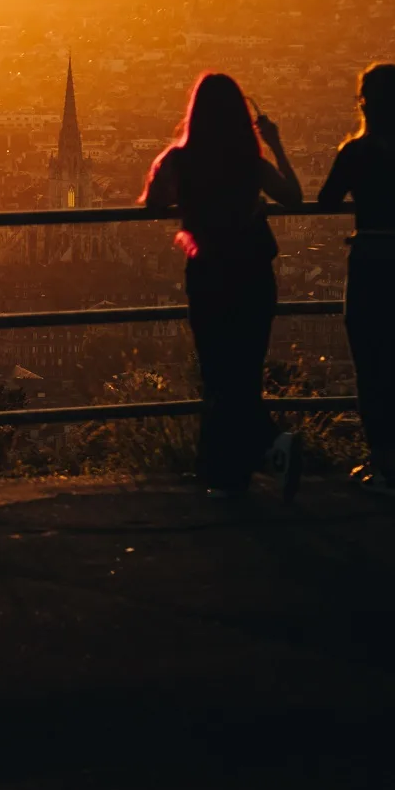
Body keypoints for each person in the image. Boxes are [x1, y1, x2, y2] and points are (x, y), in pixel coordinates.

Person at [143, 73, 304, 496]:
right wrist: (276, 144)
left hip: (209, 274)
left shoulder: (179, 160)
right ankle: (251, 459)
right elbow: (294, 196)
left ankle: (238, 464)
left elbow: (155, 200)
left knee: (216, 372)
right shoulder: (250, 164)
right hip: (253, 274)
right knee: (246, 371)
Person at [317, 64, 395, 496]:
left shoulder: (357, 152)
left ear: (365, 103)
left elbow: (326, 200)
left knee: (372, 367)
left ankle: (380, 461)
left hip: (372, 264)